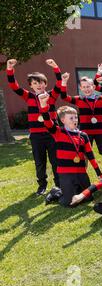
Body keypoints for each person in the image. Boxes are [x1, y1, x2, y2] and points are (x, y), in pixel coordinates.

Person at [6, 58, 61, 195]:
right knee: (39, 162)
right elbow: (14, 86)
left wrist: (55, 67)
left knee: (55, 161)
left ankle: (59, 184)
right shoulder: (28, 96)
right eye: (35, 83)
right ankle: (42, 185)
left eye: (41, 82)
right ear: (31, 85)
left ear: (45, 84)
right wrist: (9, 69)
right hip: (36, 136)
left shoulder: (51, 96)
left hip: (52, 134)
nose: (39, 85)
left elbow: (60, 84)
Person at [38, 93, 102, 207]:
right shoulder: (58, 132)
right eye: (71, 118)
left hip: (81, 171)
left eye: (76, 117)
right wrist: (43, 106)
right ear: (63, 120)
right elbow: (47, 122)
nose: (75, 120)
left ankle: (73, 189)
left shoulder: (83, 135)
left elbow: (90, 155)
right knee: (69, 203)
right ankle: (56, 192)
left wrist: (98, 172)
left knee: (88, 197)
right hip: (66, 172)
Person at [60, 72, 102, 162]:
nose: (86, 89)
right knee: (84, 155)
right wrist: (64, 82)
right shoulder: (79, 100)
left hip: (100, 131)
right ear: (80, 88)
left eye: (88, 86)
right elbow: (64, 97)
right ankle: (83, 175)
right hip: (85, 132)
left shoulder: (100, 99)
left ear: (93, 86)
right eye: (84, 87)